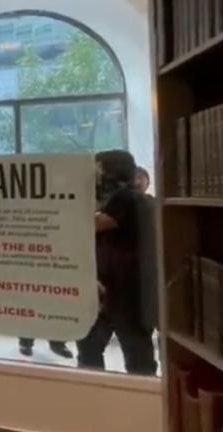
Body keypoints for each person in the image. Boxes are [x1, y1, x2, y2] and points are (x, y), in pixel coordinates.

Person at [77, 150, 157, 375]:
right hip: (118, 290)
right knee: (135, 357)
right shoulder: (132, 199)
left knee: (131, 357)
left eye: (98, 168)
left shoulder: (126, 198)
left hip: (123, 293)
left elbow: (93, 224)